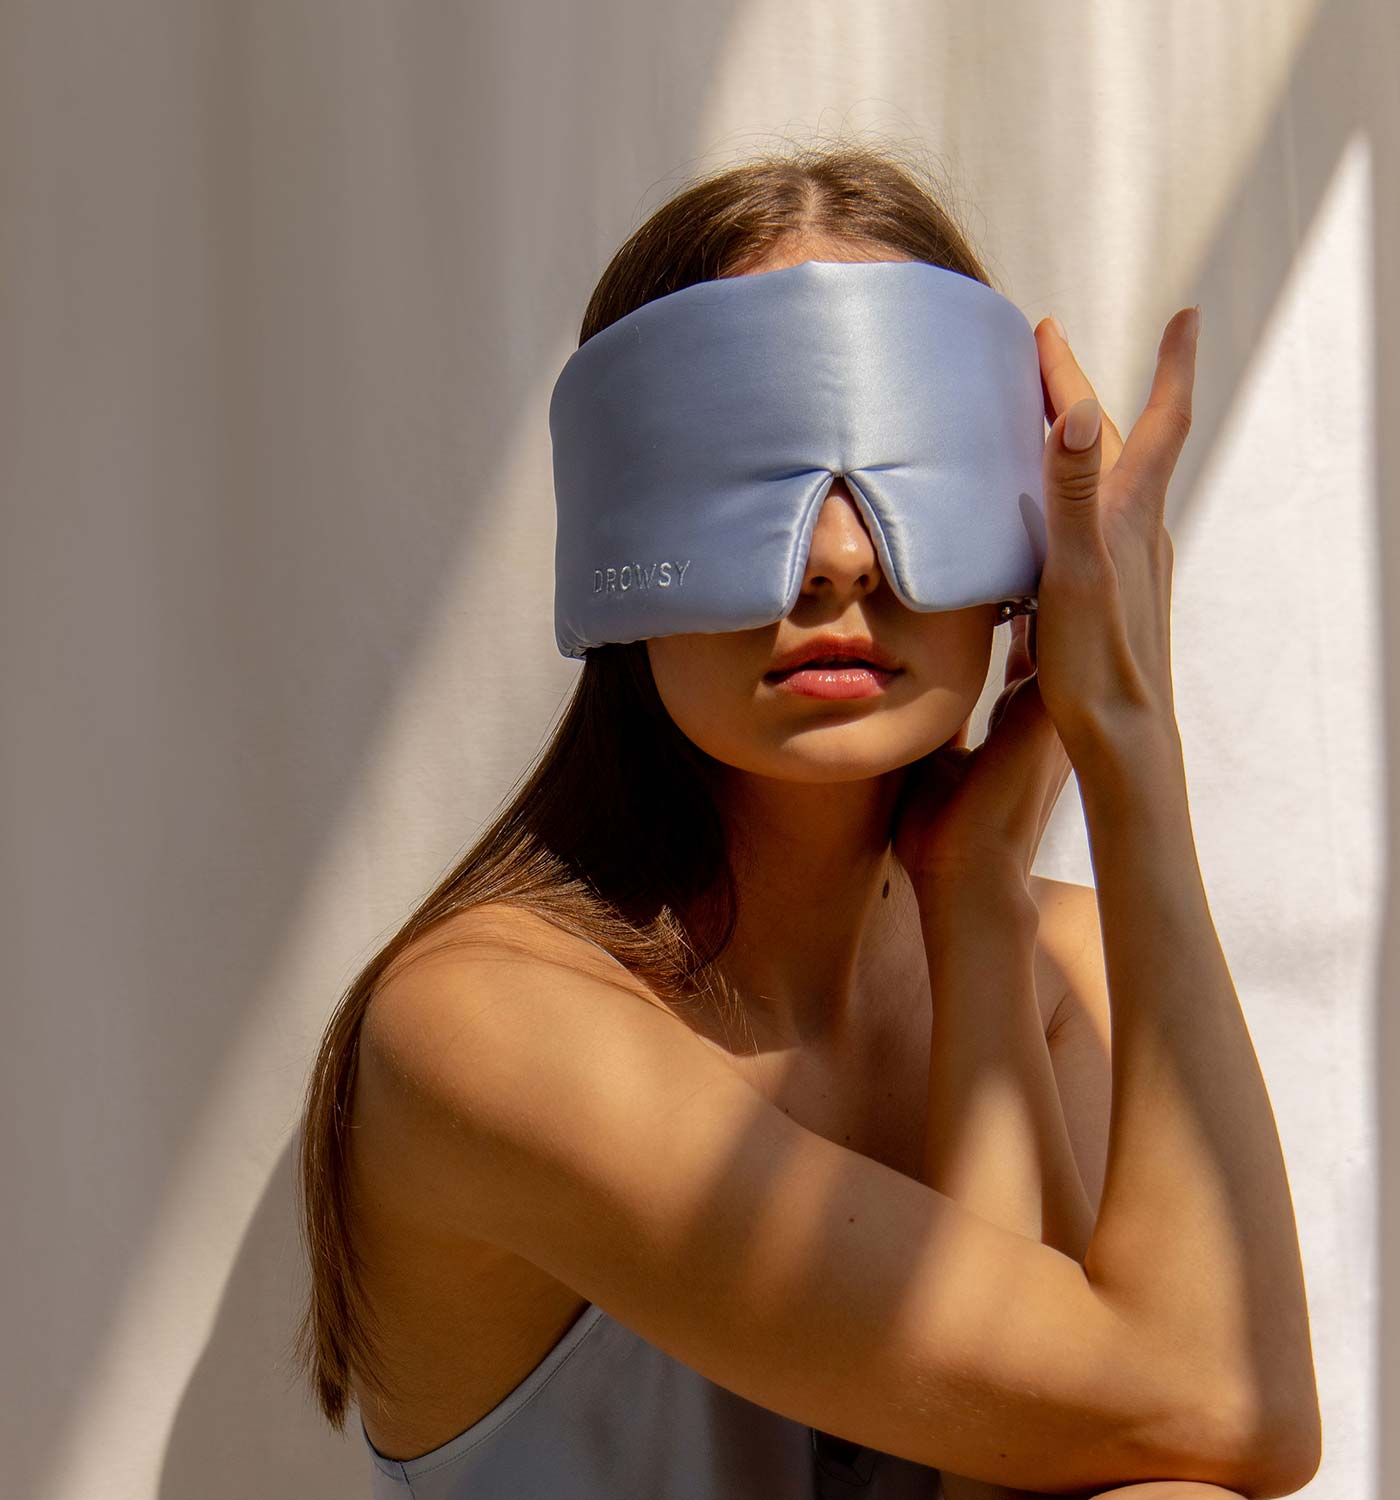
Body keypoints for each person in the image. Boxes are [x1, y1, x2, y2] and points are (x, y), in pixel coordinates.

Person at [293, 143, 1321, 1499]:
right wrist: (1125, 736)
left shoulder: (1054, 959)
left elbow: (1126, 1450)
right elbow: (1226, 1403)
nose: (839, 557)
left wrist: (988, 910)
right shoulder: (485, 1033)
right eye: (749, 464)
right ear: (618, 523)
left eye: (908, 459)